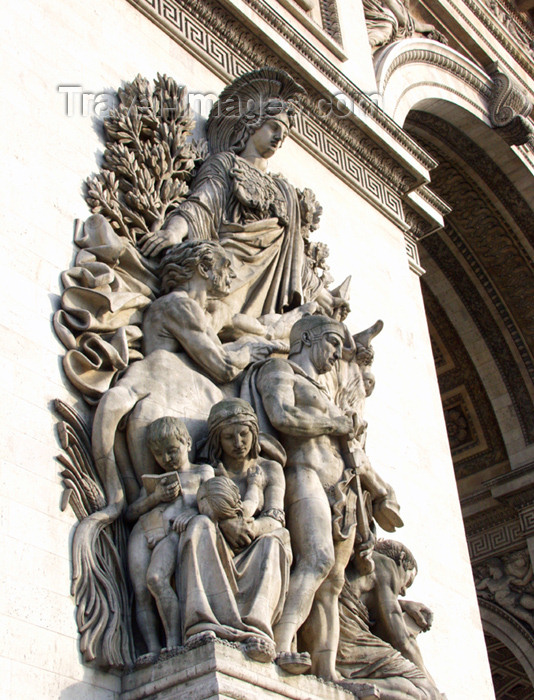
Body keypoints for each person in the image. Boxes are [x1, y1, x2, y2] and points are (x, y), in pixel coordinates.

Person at [249, 315, 402, 680]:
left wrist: (382, 491)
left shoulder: (326, 394)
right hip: (305, 475)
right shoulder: (279, 370)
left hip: (345, 493)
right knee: (316, 560)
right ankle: (282, 642)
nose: (337, 355)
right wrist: (334, 424)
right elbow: (281, 415)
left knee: (333, 583)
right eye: (333, 344)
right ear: (307, 338)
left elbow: (354, 454)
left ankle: (326, 669)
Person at [139, 68, 345, 320]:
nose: (279, 138)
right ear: (251, 124)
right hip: (226, 267)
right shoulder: (225, 163)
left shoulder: (286, 193)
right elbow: (200, 205)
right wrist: (173, 232)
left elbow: (293, 256)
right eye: (273, 127)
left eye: (285, 134)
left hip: (267, 285)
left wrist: (323, 295)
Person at [178, 399, 292, 663]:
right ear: (217, 440)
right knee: (198, 526)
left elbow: (276, 517)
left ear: (254, 434)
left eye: (244, 434)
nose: (238, 442)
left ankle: (257, 629)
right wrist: (227, 525)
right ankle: (203, 623)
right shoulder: (208, 471)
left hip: (256, 538)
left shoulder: (269, 469)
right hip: (220, 540)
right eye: (229, 437)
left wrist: (249, 529)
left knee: (276, 542)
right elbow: (203, 507)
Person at [126, 417, 214, 665]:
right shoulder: (157, 481)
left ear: (187, 443)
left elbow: (213, 503)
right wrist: (155, 497)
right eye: (159, 454)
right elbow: (131, 513)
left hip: (173, 532)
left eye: (172, 451)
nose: (166, 459)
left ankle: (173, 642)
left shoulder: (202, 472)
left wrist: (193, 511)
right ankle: (152, 649)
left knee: (156, 578)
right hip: (144, 531)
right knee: (141, 591)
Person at [338, 539, 443, 700]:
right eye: (408, 581)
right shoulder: (387, 565)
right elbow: (402, 641)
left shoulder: (365, 566)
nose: (404, 591)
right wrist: (431, 685)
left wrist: (403, 604)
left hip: (337, 638)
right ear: (401, 560)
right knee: (425, 693)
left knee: (411, 690)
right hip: (348, 641)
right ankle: (346, 684)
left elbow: (366, 601)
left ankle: (354, 685)